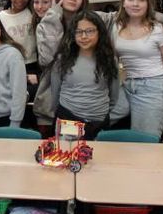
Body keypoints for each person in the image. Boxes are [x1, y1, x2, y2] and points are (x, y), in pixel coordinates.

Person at [109, 0, 163, 138]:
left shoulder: (159, 30)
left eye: (141, 0)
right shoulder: (117, 26)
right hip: (126, 85)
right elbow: (113, 59)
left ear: (148, 4)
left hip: (153, 87)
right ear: (123, 2)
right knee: (106, 125)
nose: (135, 4)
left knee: (144, 143)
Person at [49, 10, 122, 141]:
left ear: (99, 32)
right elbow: (55, 94)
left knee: (98, 157)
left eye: (90, 31)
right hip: (68, 117)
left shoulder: (110, 60)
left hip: (99, 120)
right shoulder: (63, 59)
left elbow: (114, 96)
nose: (84, 36)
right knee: (67, 156)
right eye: (78, 32)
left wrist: (98, 111)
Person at [36, 0, 91, 68]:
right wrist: (53, 17)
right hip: (55, 75)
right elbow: (47, 60)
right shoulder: (45, 24)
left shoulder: (88, 23)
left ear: (83, 1)